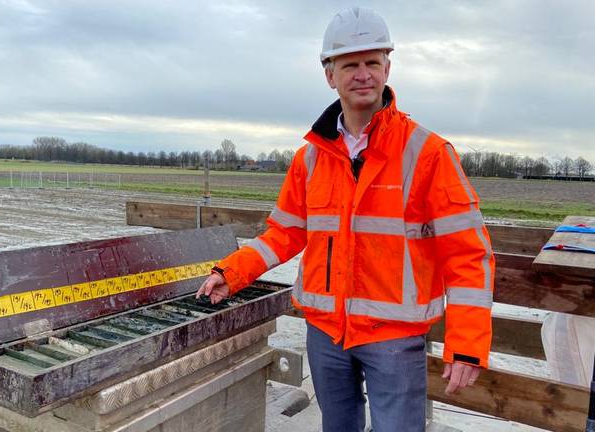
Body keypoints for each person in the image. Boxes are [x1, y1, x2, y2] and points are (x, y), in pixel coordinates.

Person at [196, 6, 495, 432]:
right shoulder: (311, 158)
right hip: (325, 334)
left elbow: (468, 253)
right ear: (329, 74)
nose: (363, 74)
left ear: (388, 68)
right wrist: (233, 272)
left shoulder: (427, 153)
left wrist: (466, 344)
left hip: (394, 337)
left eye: (372, 62)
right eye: (350, 64)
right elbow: (285, 232)